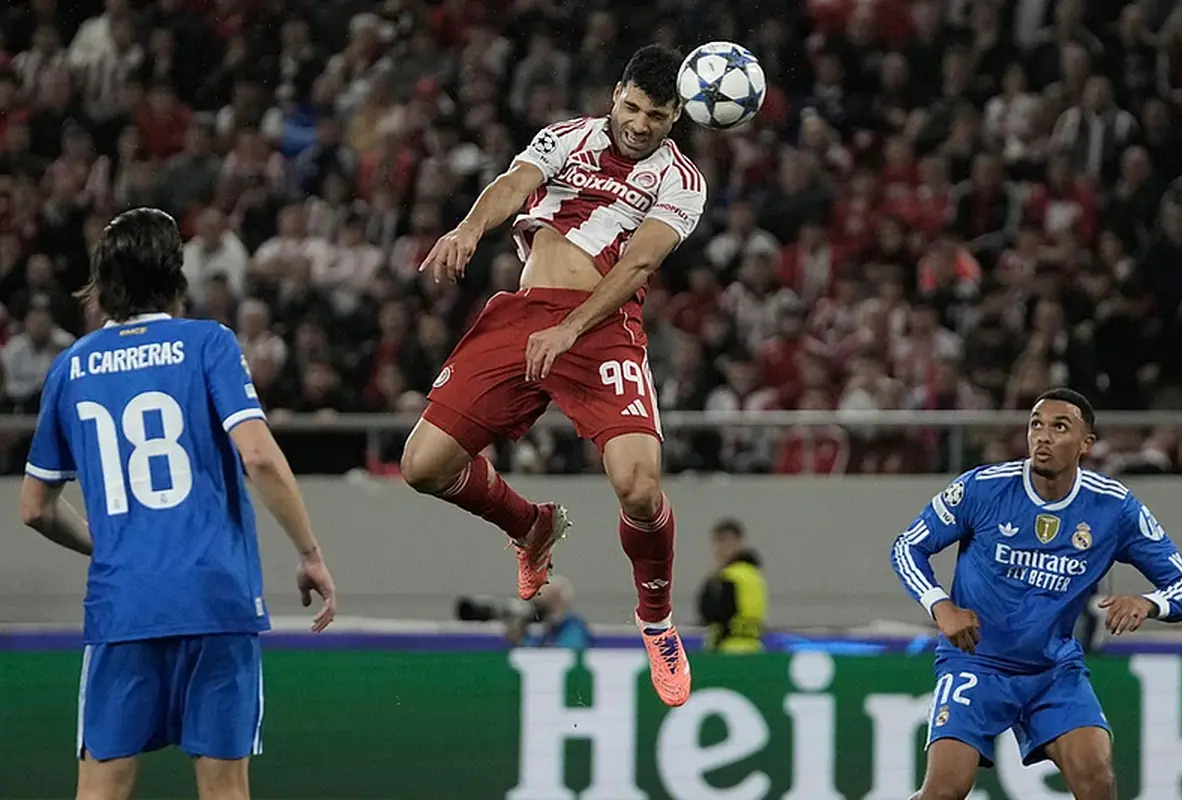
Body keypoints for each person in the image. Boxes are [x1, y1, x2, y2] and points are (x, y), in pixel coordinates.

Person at [400, 44, 706, 708]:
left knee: (638, 484)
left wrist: (571, 329)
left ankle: (655, 620)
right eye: (631, 106)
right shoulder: (567, 137)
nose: (640, 123)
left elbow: (636, 267)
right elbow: (512, 185)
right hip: (523, 316)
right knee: (422, 465)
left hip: (602, 328)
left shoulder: (681, 181)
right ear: (616, 93)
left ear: (676, 115)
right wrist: (469, 228)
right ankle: (529, 525)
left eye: (656, 115)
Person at [19, 208, 337, 800]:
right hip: (216, 599)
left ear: (103, 280)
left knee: (101, 789)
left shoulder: (72, 367)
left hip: (124, 605)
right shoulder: (207, 344)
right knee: (223, 790)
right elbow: (260, 457)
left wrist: (107, 544)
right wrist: (310, 552)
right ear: (175, 273)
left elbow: (35, 507)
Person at [891, 388, 1182, 800]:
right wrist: (940, 605)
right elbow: (906, 546)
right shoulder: (984, 489)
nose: (1043, 436)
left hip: (1051, 671)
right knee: (944, 791)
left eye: (1059, 427)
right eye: (1036, 424)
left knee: (1098, 780)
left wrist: (1148, 602)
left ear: (1086, 443)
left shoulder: (1113, 508)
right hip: (976, 663)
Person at [697, 518, 768, 652]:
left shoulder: (729, 577)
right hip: (754, 646)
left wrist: (712, 579)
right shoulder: (755, 574)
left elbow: (710, 613)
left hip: (728, 648)